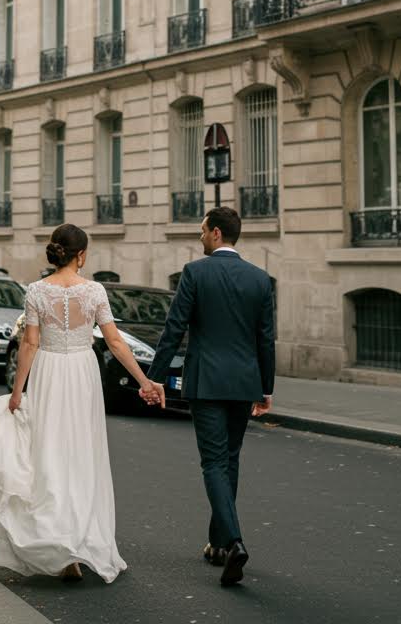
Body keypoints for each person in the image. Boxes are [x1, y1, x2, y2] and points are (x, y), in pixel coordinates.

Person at [0, 223, 164, 583]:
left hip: (50, 373)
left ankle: (58, 545)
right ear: (82, 255)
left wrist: (17, 390)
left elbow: (30, 344)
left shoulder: (37, 291)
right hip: (82, 373)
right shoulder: (95, 291)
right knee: (83, 456)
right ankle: (81, 543)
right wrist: (144, 381)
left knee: (49, 454)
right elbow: (115, 342)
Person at [143, 206, 276, 588]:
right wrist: (265, 387)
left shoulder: (195, 273)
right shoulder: (260, 280)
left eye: (202, 231)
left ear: (216, 233)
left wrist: (154, 378)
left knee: (214, 463)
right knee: (229, 460)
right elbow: (265, 339)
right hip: (244, 382)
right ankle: (218, 544)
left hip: (205, 382)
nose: (200, 237)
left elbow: (174, 327)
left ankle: (233, 542)